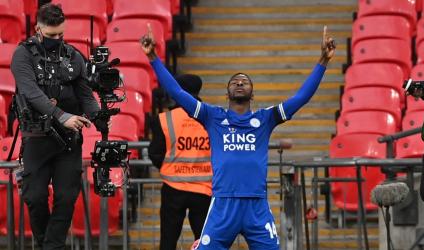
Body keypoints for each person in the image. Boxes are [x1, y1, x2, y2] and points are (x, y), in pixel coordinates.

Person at [142, 24, 335, 249]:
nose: (240, 83)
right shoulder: (212, 116)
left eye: (245, 81)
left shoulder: (266, 119)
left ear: (253, 92)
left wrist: (323, 61)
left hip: (256, 206)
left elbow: (301, 97)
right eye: (235, 82)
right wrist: (153, 57)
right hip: (223, 205)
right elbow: (177, 92)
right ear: (228, 93)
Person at [11, 4, 100, 249]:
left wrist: (99, 115)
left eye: (61, 34)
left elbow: (85, 95)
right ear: (38, 29)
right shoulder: (23, 54)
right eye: (51, 35)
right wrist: (62, 116)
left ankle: (51, 246)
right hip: (37, 138)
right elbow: (31, 92)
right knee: (35, 197)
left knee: (67, 197)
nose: (57, 39)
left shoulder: (73, 55)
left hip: (68, 141)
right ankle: (47, 245)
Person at [149, 74, 213, 250]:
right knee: (206, 242)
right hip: (204, 189)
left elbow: (154, 153)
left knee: (168, 241)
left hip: (173, 189)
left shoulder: (163, 119)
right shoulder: (212, 117)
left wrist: (172, 167)